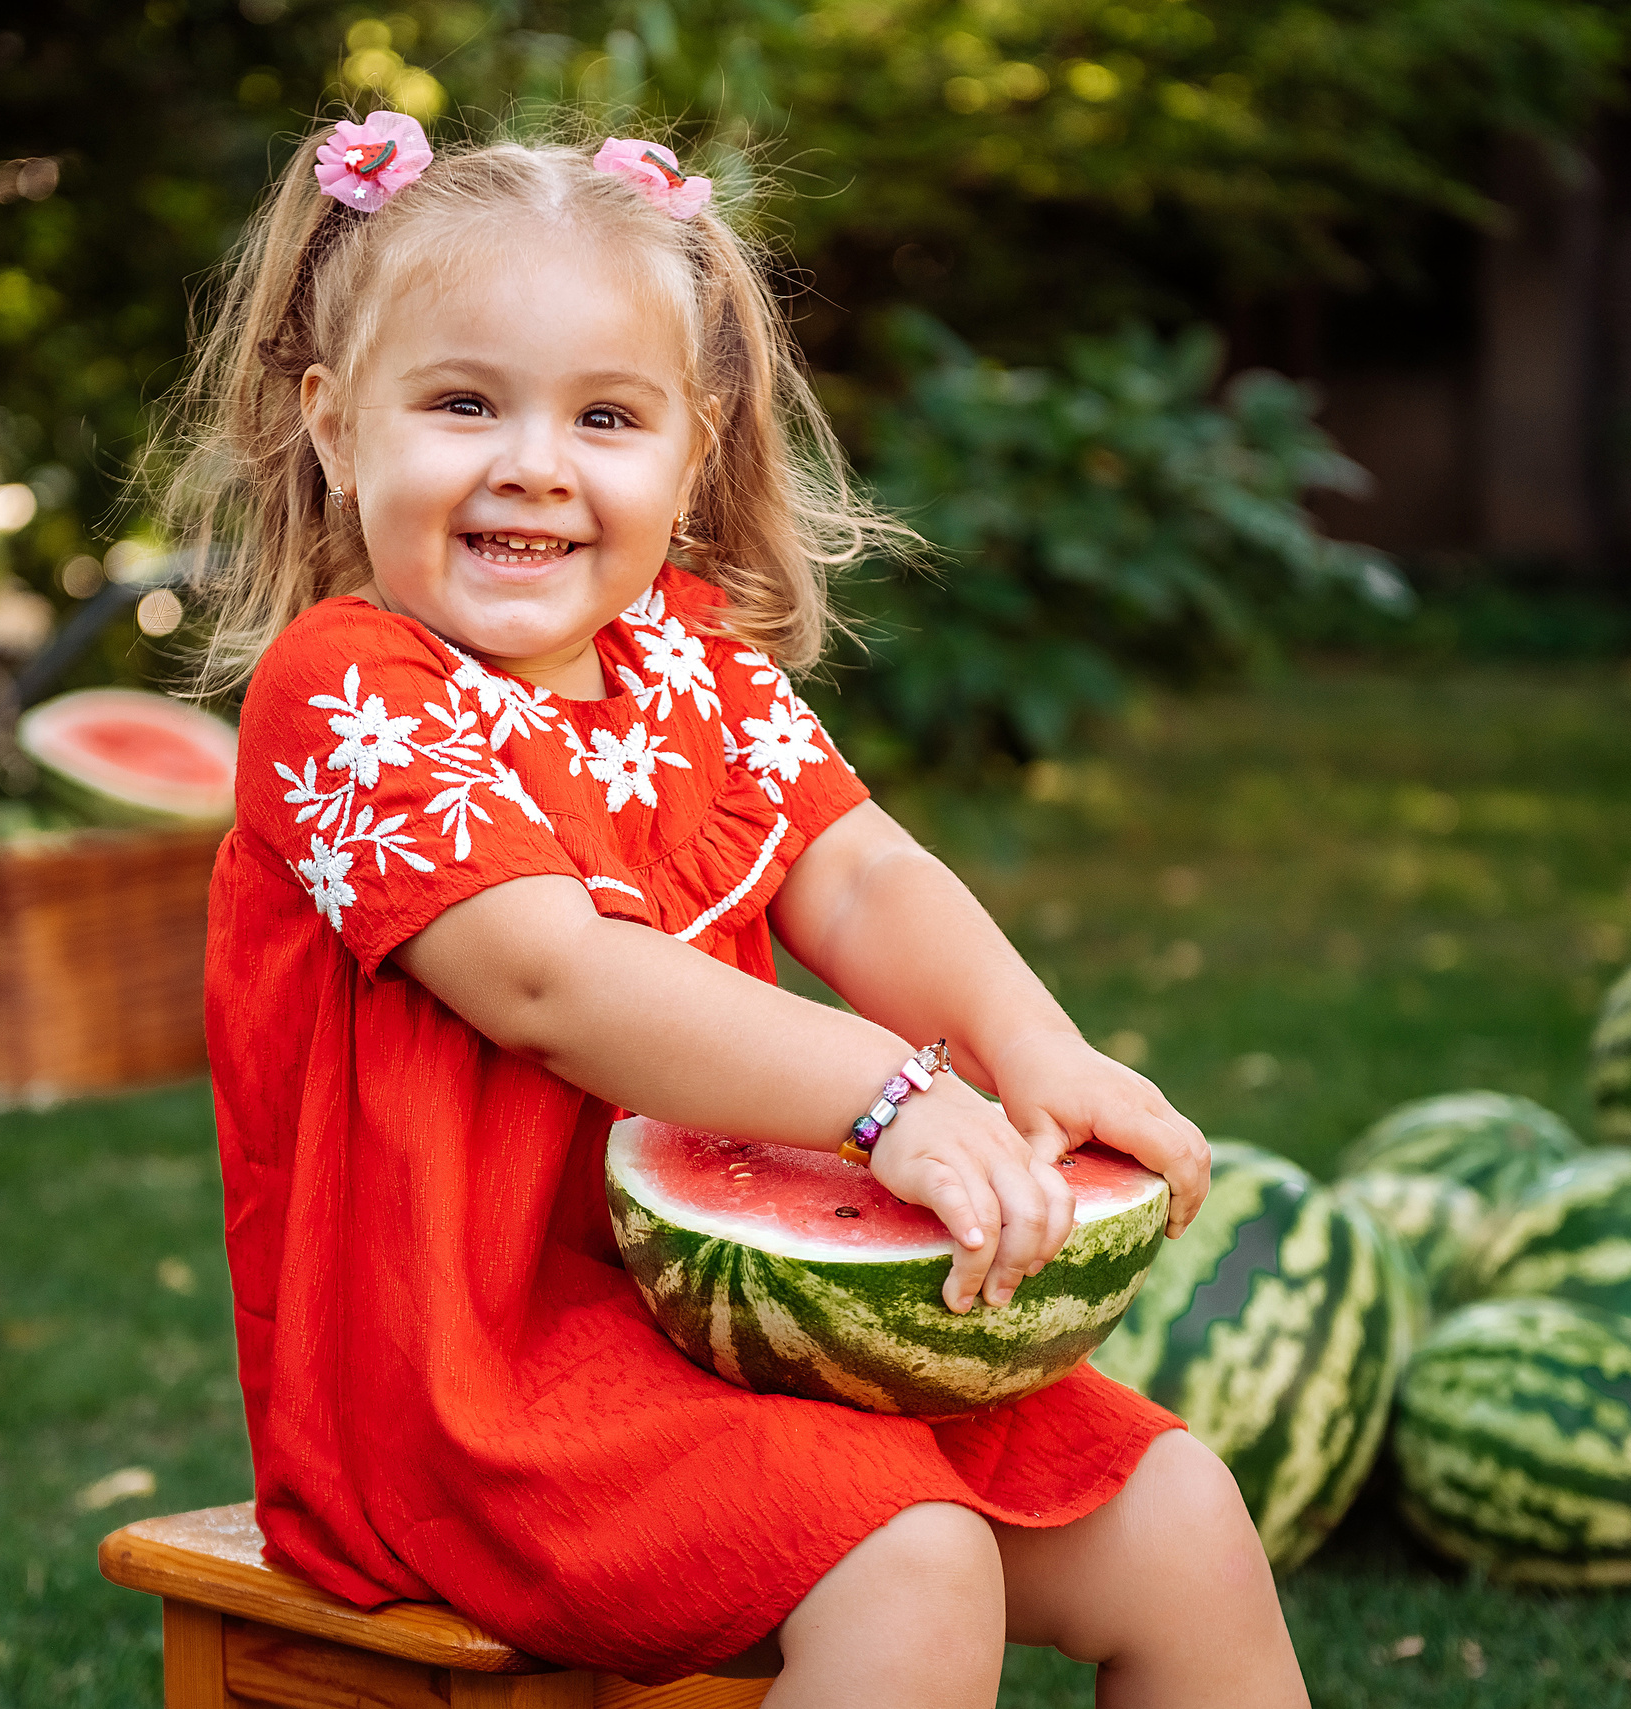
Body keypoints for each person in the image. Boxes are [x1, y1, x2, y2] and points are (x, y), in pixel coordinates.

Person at [166, 110, 1308, 1708]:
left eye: (607, 416)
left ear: (691, 454)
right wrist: (888, 1095)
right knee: (914, 1556)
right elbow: (555, 979)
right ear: (333, 428)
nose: (533, 465)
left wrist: (1031, 1045)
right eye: (462, 403)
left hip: (735, 1334)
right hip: (462, 1394)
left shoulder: (692, 664)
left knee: (1178, 1511)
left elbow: (862, 868)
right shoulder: (347, 690)